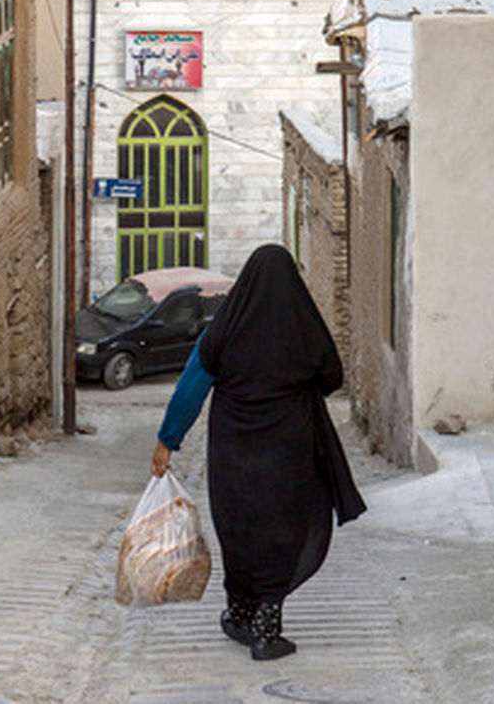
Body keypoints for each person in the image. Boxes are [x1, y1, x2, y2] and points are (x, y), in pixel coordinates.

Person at [150, 244, 366, 661]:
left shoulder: (224, 330)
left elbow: (191, 388)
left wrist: (167, 441)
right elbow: (331, 376)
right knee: (282, 529)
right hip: (289, 452)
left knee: (239, 527)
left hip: (233, 453)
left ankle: (242, 611)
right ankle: (265, 623)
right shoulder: (303, 328)